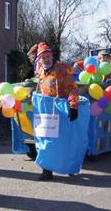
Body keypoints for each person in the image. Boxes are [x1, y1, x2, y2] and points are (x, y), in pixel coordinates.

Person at [33, 43, 79, 181]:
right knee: (46, 141)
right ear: (39, 60)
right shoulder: (40, 71)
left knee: (64, 141)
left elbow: (72, 88)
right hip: (45, 113)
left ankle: (69, 167)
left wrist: (73, 106)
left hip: (61, 111)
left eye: (48, 56)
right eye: (43, 57)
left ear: (52, 56)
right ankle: (47, 170)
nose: (46, 59)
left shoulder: (62, 69)